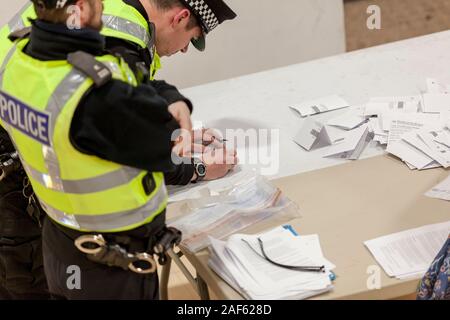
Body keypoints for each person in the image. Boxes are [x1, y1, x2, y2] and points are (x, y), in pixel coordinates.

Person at [0, 0, 237, 299]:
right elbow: (123, 140)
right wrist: (198, 168)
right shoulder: (120, 36)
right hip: (48, 204)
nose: (185, 49)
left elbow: (118, 102)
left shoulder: (65, 32)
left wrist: (172, 125)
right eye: (192, 38)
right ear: (181, 17)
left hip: (37, 171)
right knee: (26, 283)